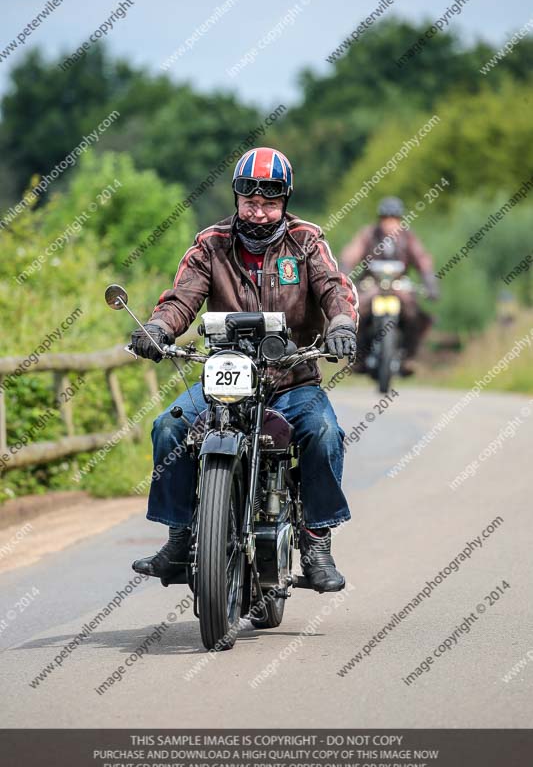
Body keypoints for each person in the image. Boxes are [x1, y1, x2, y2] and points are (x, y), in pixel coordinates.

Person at [130, 147, 358, 594]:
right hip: (225, 379)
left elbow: (335, 288)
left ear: (284, 201)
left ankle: (316, 542)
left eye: (269, 203)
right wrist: (158, 327)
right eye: (250, 202)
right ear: (236, 198)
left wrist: (343, 325)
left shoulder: (306, 241)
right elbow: (181, 298)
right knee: (167, 428)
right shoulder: (210, 245)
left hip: (292, 379)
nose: (258, 213)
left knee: (325, 432)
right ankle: (179, 539)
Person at [341, 196, 439, 373]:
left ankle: (409, 357)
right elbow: (351, 254)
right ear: (380, 219)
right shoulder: (369, 234)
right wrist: (344, 273)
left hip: (399, 284)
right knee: (356, 311)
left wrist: (430, 281)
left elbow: (422, 259)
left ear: (400, 220)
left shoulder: (408, 237)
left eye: (394, 218)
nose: (390, 223)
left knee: (414, 312)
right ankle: (357, 356)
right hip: (372, 283)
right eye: (386, 218)